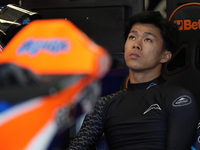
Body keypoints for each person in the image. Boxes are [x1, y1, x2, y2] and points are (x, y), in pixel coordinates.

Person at [67, 11, 199, 150]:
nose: (136, 44)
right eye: (132, 37)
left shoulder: (178, 98)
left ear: (165, 56)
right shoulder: (103, 104)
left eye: (148, 39)